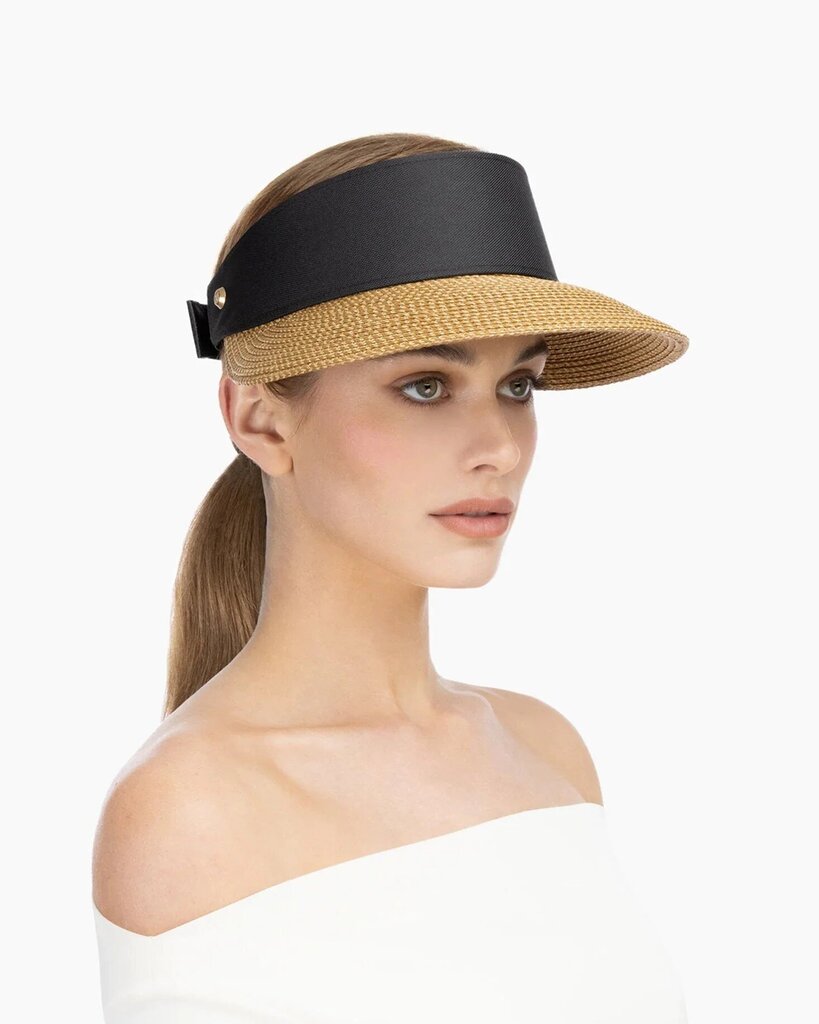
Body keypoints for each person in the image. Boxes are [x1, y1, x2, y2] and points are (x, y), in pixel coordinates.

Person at [91, 132, 689, 1022]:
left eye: (518, 385)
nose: (498, 448)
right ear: (259, 421)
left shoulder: (544, 747)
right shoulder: (194, 808)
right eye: (425, 387)